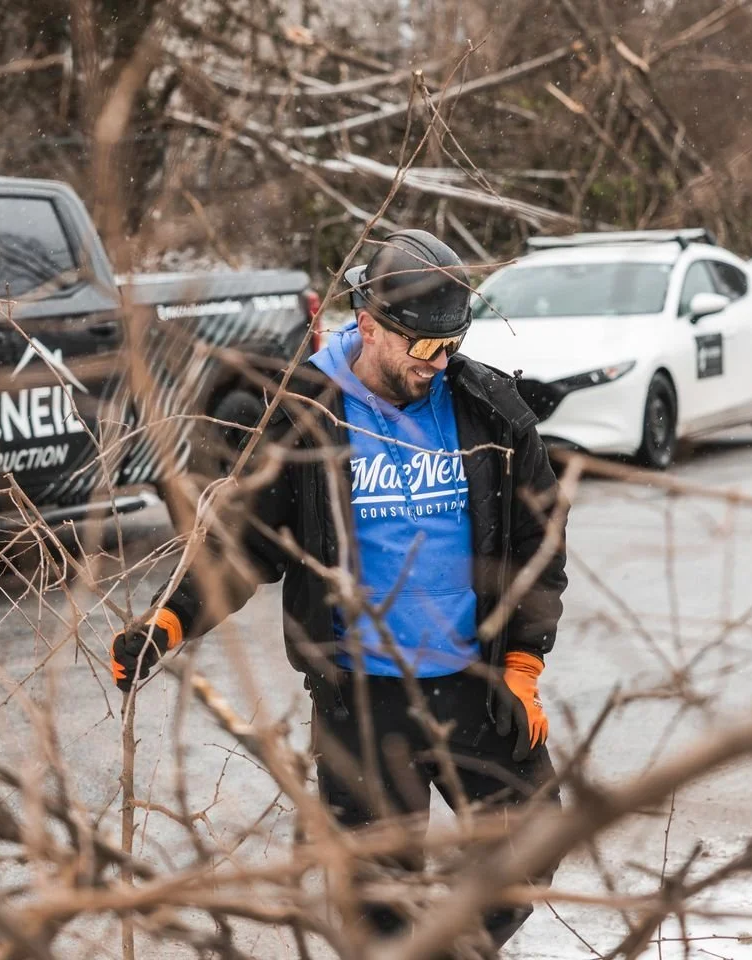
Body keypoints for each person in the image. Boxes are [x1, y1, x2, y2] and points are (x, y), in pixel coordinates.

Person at [110, 229, 568, 952]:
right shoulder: (305, 414)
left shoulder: (487, 409)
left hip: (474, 681)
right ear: (370, 325)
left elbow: (535, 542)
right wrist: (169, 622)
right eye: (424, 346)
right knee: (375, 910)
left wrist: (523, 663)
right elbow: (246, 543)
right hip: (363, 700)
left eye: (451, 344)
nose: (439, 361)